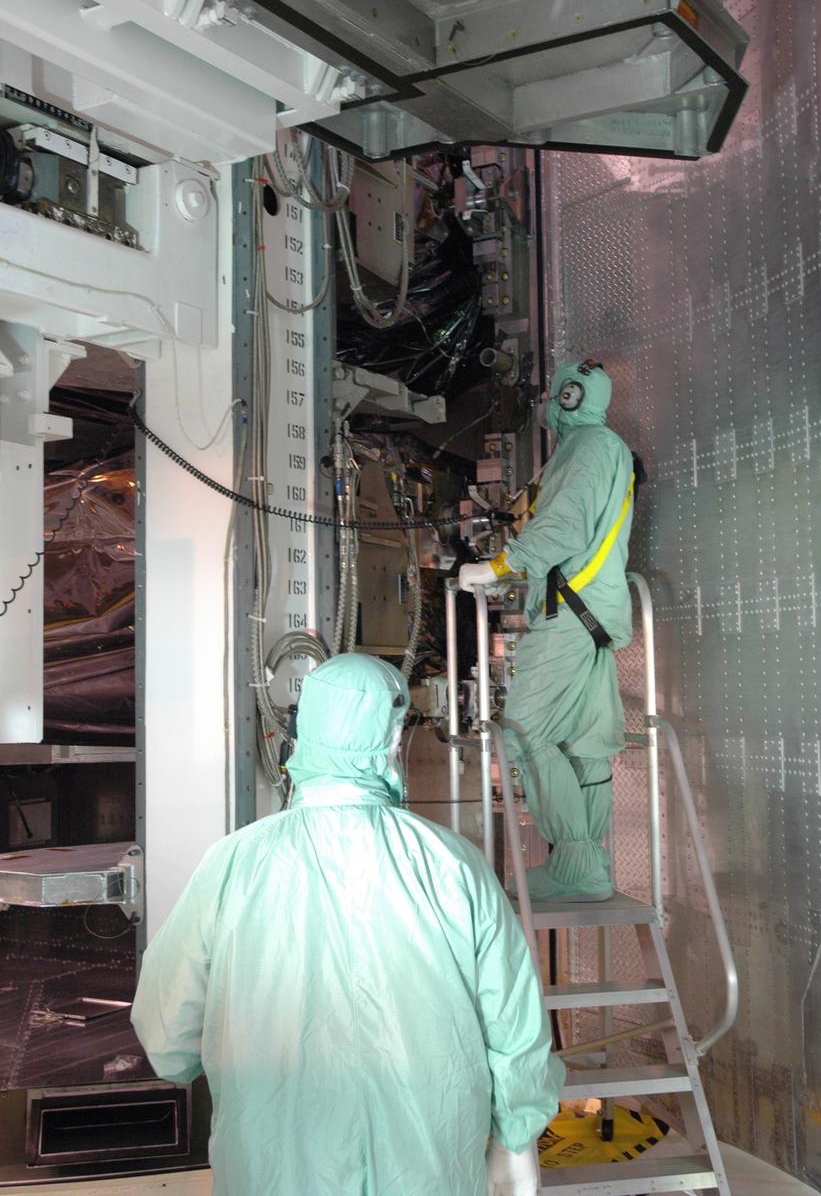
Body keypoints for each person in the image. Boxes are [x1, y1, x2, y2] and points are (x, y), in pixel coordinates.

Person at [131, 653, 563, 1196]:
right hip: (428, 1166)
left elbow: (167, 1034)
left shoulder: (234, 863)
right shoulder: (451, 863)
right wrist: (515, 1138)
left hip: (276, 1172)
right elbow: (513, 1020)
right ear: (388, 742)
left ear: (304, 731)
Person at [459, 360, 634, 902]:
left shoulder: (586, 450)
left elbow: (565, 525)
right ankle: (587, 867)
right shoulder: (610, 449)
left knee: (526, 730)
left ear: (569, 397)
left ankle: (577, 867)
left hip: (570, 614)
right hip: (594, 615)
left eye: (554, 395)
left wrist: (495, 567)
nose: (547, 404)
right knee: (582, 742)